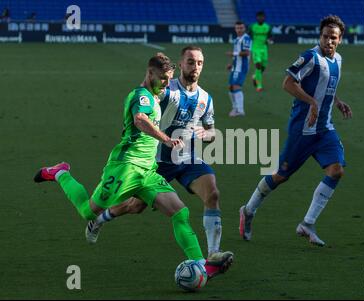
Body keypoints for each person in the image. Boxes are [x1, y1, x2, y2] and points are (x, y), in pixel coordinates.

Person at [34, 53, 233, 279]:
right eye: (163, 79)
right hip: (125, 167)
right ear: (150, 74)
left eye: (169, 79)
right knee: (87, 211)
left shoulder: (156, 96)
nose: (167, 84)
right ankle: (60, 173)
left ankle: (200, 268)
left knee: (180, 213)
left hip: (148, 171)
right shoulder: (142, 96)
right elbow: (140, 119)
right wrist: (165, 139)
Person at [84, 46, 230, 261]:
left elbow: (211, 132)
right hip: (158, 161)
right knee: (134, 206)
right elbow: (141, 108)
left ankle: (213, 254)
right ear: (180, 64)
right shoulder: (164, 89)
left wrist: (205, 133)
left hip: (187, 158)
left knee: (213, 194)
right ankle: (99, 220)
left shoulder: (205, 99)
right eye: (190, 61)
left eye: (199, 63)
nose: (195, 66)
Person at [239, 15, 352, 247]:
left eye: (333, 38)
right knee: (280, 176)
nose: (328, 41)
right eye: (325, 36)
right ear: (319, 36)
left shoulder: (338, 59)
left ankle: (307, 224)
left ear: (340, 40)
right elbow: (288, 83)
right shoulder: (311, 57)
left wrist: (337, 101)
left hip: (324, 129)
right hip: (302, 129)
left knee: (336, 171)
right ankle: (248, 210)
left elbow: (326, 85)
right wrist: (311, 102)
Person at [226, 21, 252, 117]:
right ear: (235, 29)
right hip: (236, 66)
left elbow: (247, 53)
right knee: (230, 87)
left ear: (244, 28)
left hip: (241, 67)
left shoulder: (246, 38)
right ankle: (235, 107)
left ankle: (240, 110)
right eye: (238, 28)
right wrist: (231, 64)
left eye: (241, 28)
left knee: (236, 86)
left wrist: (233, 54)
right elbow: (237, 54)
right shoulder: (237, 39)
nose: (239, 30)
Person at [248, 11, 273, 92]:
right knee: (258, 65)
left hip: (264, 49)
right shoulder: (252, 27)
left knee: (263, 67)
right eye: (259, 17)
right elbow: (248, 36)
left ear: (264, 18)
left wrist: (269, 40)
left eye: (262, 17)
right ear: (256, 18)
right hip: (255, 49)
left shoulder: (267, 27)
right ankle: (259, 86)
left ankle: (255, 76)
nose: (260, 18)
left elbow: (271, 37)